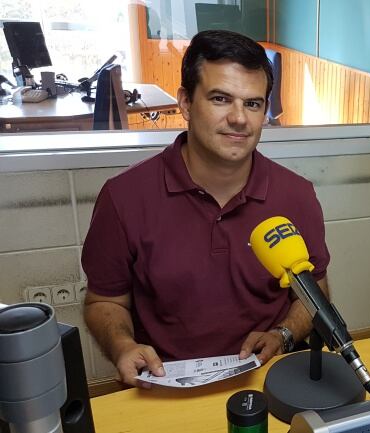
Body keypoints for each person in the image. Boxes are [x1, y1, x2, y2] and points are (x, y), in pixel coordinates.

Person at [82, 30, 330, 388]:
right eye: (220, 98)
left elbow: (313, 292)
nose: (239, 118)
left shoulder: (297, 196)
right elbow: (104, 302)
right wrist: (122, 345)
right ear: (185, 103)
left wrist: (284, 334)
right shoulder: (123, 198)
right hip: (165, 385)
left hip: (268, 381)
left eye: (253, 104)